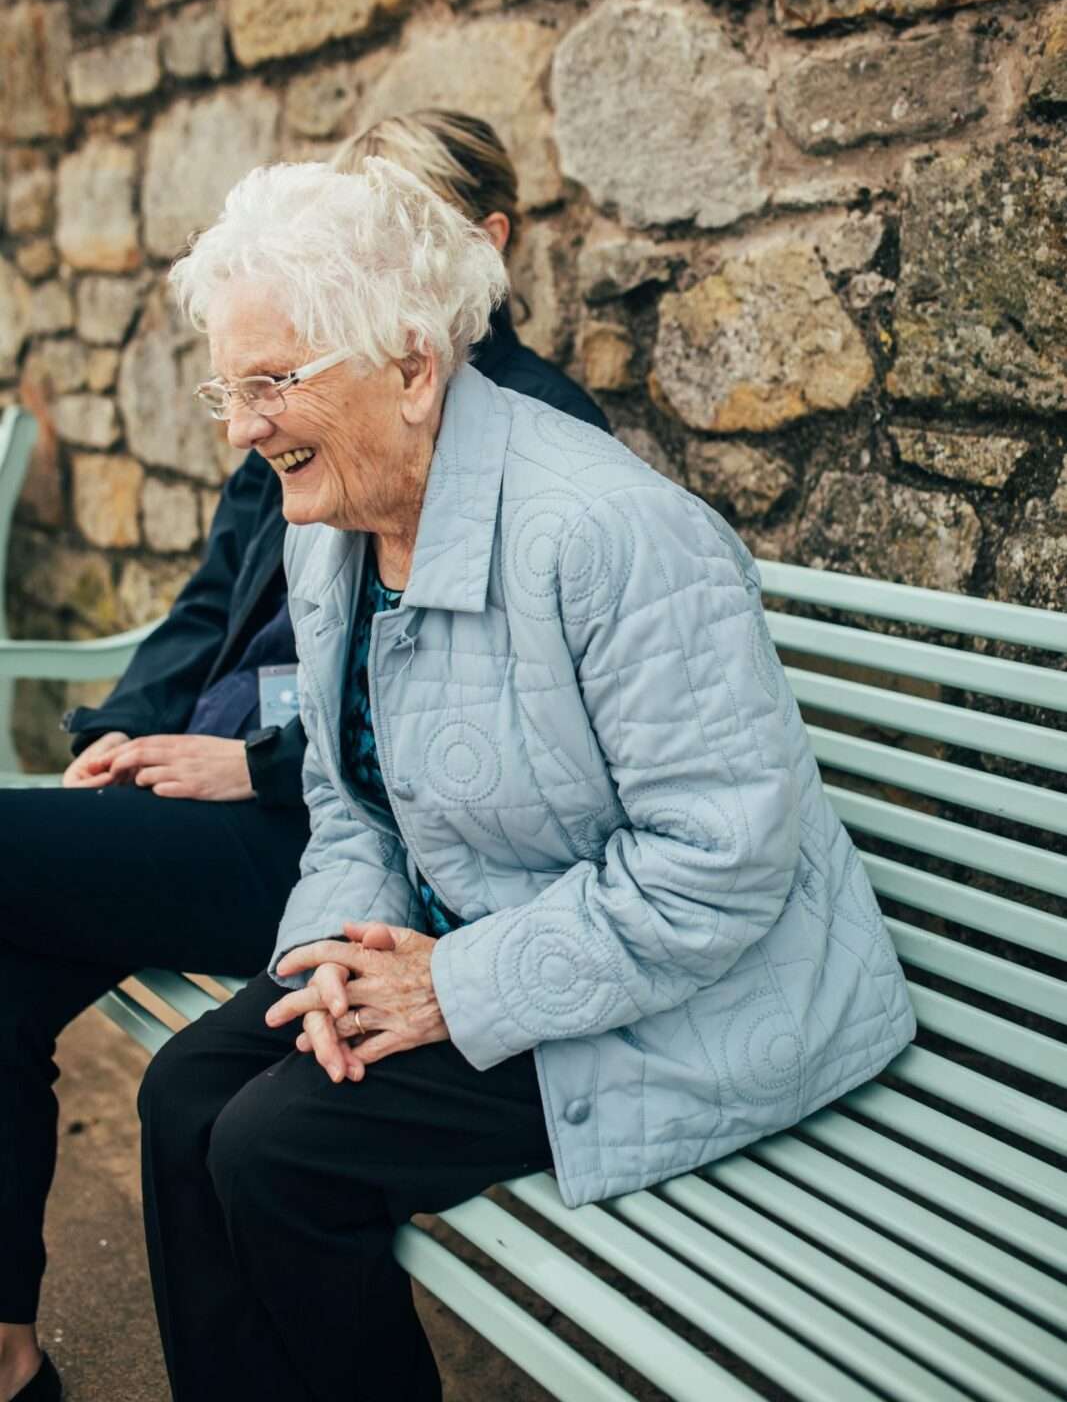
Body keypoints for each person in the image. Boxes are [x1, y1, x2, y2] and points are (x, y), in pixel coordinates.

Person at [137, 157, 917, 1402]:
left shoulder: (608, 534)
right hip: (480, 932)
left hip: (696, 997)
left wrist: (449, 980)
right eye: (227, 388)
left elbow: (721, 864)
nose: (241, 428)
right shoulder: (328, 525)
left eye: (273, 382)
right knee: (186, 1094)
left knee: (278, 1150)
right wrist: (327, 960)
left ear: (410, 364)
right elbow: (350, 800)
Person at [0, 114, 607, 1402]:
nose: (248, 424)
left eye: (395, 223)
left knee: (253, 1133)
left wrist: (257, 772)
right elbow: (219, 619)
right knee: (140, 1062)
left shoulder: (550, 476)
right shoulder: (311, 436)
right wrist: (121, 733)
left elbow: (432, 762)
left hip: (371, 860)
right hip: (340, 843)